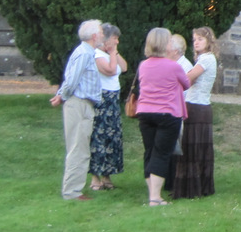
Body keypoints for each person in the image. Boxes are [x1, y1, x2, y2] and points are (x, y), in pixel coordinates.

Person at [134, 28, 190, 206]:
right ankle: (155, 197)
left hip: (144, 112)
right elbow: (186, 84)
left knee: (149, 151)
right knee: (162, 153)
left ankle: (153, 193)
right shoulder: (173, 66)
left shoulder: (143, 65)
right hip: (167, 113)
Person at [50, 20, 104, 201]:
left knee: (81, 147)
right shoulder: (84, 54)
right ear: (94, 36)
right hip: (79, 103)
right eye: (101, 32)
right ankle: (72, 192)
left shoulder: (87, 52)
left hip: (84, 103)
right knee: (77, 148)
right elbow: (72, 79)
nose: (103, 36)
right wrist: (62, 95)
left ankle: (74, 189)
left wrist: (61, 94)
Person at [173, 27, 218, 200]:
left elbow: (186, 79)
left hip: (197, 106)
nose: (196, 42)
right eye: (194, 39)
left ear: (208, 41)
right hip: (198, 105)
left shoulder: (206, 59)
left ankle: (193, 187)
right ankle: (196, 185)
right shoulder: (203, 59)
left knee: (193, 147)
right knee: (195, 147)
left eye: (200, 39)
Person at [89, 23, 126, 191]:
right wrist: (111, 53)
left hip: (113, 100)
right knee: (99, 137)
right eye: (114, 38)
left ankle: (107, 175)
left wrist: (114, 52)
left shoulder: (111, 53)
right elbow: (111, 70)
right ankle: (95, 177)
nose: (117, 41)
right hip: (102, 101)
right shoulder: (97, 55)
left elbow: (123, 68)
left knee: (112, 138)